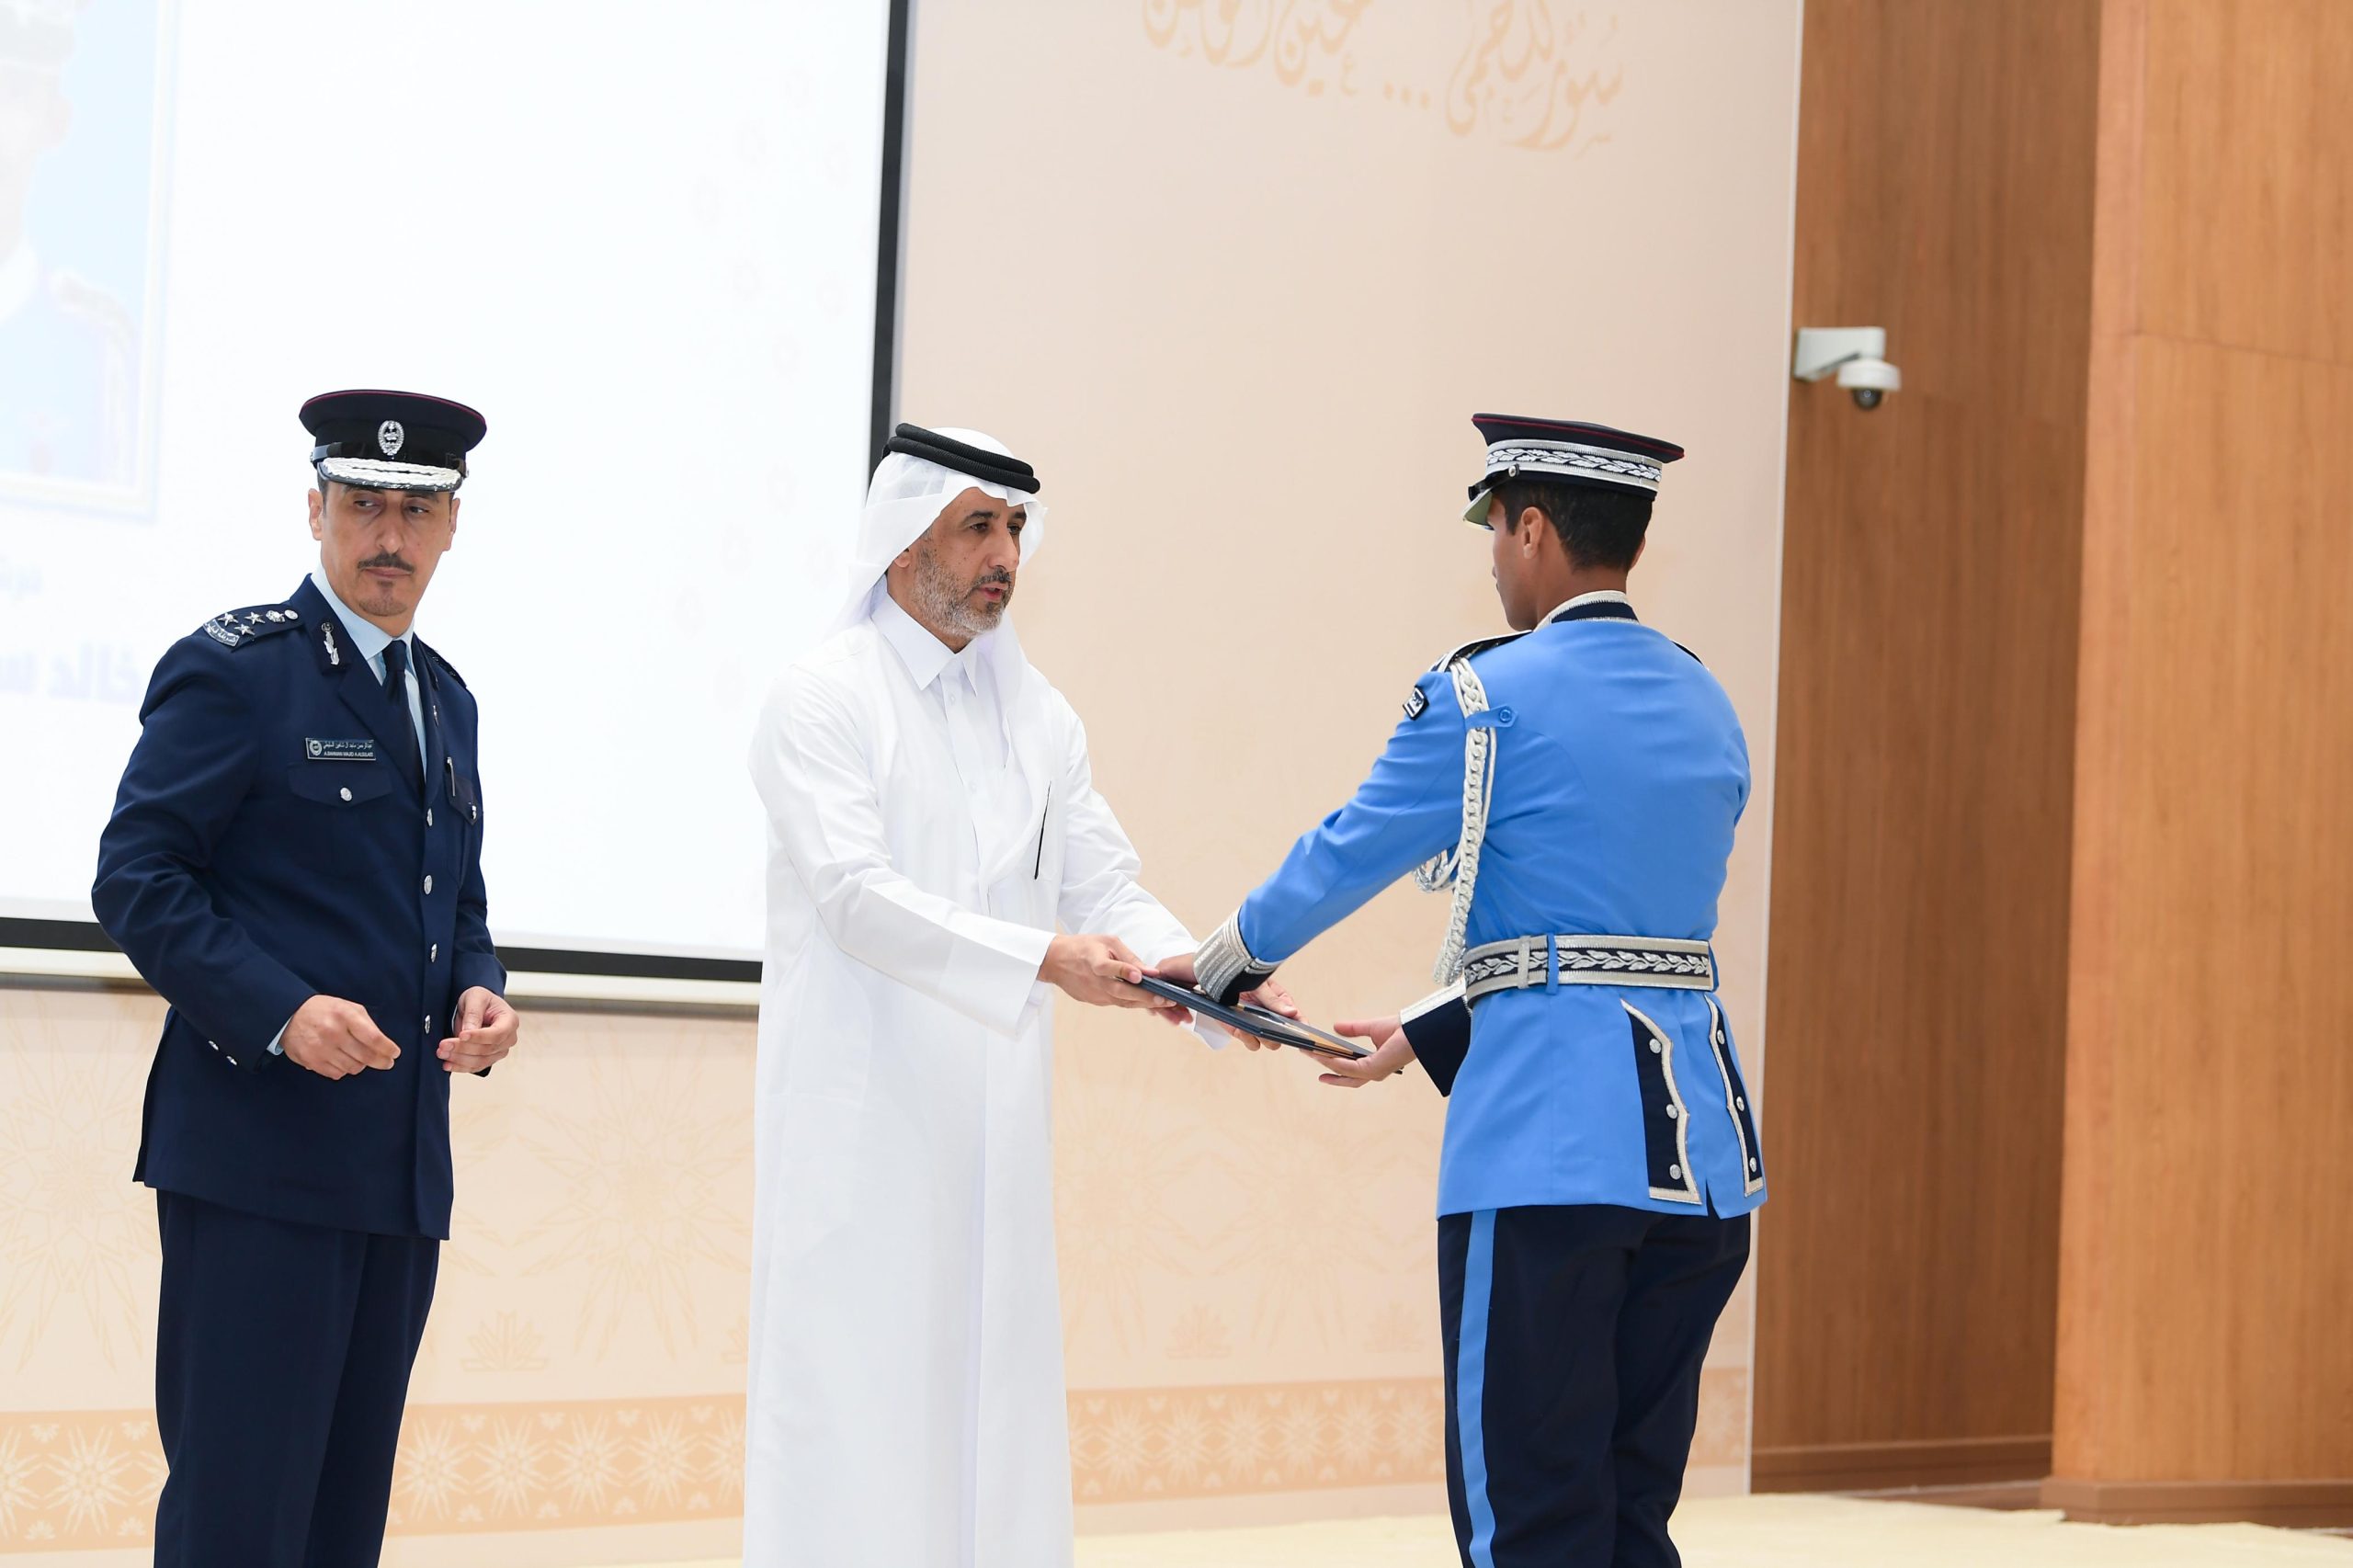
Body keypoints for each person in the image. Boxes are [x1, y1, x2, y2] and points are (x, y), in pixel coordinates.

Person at [1173, 414, 1765, 1567]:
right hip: (1702, 1170)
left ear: (1532, 528)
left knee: (1529, 1524)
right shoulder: (1705, 698)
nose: (1492, 558)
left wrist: (1220, 968)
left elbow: (1350, 849)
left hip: (1550, 1155)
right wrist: (1429, 1026)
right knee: (1629, 1514)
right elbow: (1619, 935)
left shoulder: (1485, 695)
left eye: (1494, 529)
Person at [742, 423, 1289, 1567]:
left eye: (1016, 527)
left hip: (992, 1144)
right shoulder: (821, 697)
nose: (1005, 552)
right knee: (861, 1426)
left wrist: (1209, 974)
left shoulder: (1038, 713)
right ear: (903, 542)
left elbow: (1104, 881)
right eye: (978, 524)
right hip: (864, 1139)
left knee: (992, 1428)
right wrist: (1045, 960)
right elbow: (855, 896)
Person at [91, 389, 518, 1566]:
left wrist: (479, 985)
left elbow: (451, 899)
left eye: (416, 509)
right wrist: (278, 1010)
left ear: (450, 527)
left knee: (340, 1523)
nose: (391, 534)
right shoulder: (239, 669)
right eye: (366, 505)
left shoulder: (449, 700)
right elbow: (137, 877)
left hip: (395, 1168)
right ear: (316, 509)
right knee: (241, 1516)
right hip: (256, 1164)